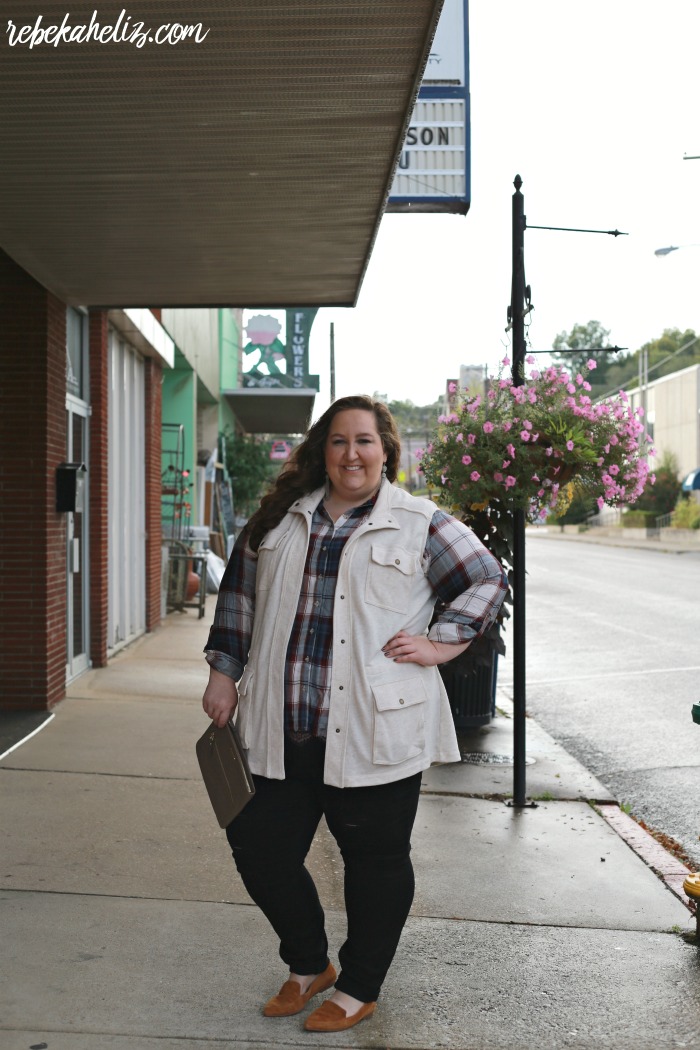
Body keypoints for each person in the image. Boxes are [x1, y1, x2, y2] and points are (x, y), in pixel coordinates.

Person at [202, 394, 508, 1034]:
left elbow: (486, 579)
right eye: (339, 441)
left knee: (375, 862)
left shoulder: (419, 521)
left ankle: (360, 984)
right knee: (257, 845)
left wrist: (442, 642)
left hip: (376, 726)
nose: (351, 454)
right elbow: (238, 601)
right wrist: (223, 674)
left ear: (386, 451)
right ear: (323, 450)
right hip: (281, 727)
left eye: (365, 441)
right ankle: (310, 963)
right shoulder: (281, 521)